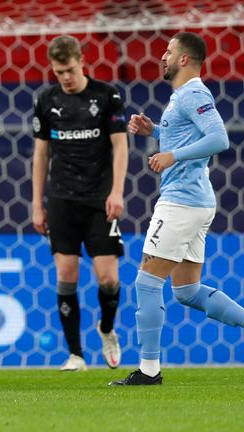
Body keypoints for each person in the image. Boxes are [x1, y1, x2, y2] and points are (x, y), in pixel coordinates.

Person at [111, 32, 238, 386]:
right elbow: (189, 137)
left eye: (168, 52)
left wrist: (171, 155)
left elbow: (219, 138)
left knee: (147, 281)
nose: (162, 57)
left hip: (181, 201)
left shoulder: (194, 92)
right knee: (187, 291)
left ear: (184, 59)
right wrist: (156, 133)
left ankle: (149, 371)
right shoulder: (181, 97)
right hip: (196, 201)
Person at [31, 35, 128, 371]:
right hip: (62, 199)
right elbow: (41, 153)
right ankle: (75, 354)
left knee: (108, 279)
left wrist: (117, 191)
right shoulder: (46, 100)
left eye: (70, 70)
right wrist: (36, 203)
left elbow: (121, 146)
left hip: (100, 199)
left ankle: (106, 328)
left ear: (81, 60)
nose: (65, 78)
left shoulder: (107, 96)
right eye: (59, 72)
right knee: (66, 273)